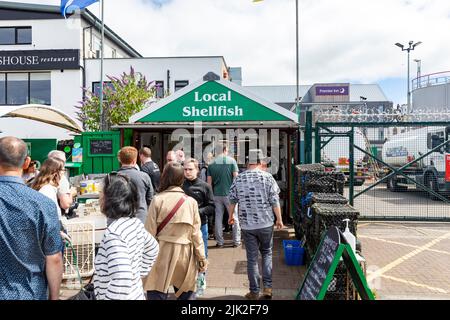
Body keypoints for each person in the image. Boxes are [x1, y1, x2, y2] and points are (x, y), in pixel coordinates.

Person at [0, 137, 63, 300]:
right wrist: (54, 297)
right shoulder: (43, 204)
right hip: (31, 292)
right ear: (27, 162)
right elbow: (54, 257)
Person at [144, 162, 208, 300]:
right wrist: (202, 259)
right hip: (185, 253)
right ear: (181, 179)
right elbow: (197, 235)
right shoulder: (191, 202)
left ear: (164, 177)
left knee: (156, 292)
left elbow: (148, 234)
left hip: (160, 252)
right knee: (187, 295)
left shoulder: (157, 200)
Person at [228, 149, 284, 300]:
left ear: (248, 163)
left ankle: (254, 292)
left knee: (252, 259)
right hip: (266, 223)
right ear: (261, 163)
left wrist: (230, 216)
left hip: (247, 225)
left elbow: (232, 200)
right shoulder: (268, 177)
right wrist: (279, 219)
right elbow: (274, 200)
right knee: (266, 254)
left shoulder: (239, 178)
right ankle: (268, 288)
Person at [93, 173, 159, 300]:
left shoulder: (114, 234)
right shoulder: (134, 223)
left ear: (110, 199)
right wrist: (138, 273)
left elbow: (122, 278)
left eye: (102, 193)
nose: (99, 197)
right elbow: (153, 248)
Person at [207, 143, 241, 248]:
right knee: (234, 217)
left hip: (216, 194)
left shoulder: (211, 164)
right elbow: (236, 179)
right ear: (225, 149)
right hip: (230, 195)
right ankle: (236, 241)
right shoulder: (232, 161)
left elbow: (209, 183)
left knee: (218, 218)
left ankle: (220, 242)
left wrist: (210, 195)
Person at [182, 158, 215, 258]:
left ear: (197, 170)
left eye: (190, 169)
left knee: (202, 253)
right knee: (185, 254)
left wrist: (197, 212)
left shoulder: (205, 187)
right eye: (185, 169)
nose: (187, 172)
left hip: (201, 225)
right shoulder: (180, 186)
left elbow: (211, 207)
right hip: (183, 225)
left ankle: (202, 273)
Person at [117, 146, 154, 225]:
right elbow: (150, 199)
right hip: (140, 218)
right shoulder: (144, 177)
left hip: (119, 220)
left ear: (120, 160)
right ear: (134, 161)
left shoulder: (112, 177)